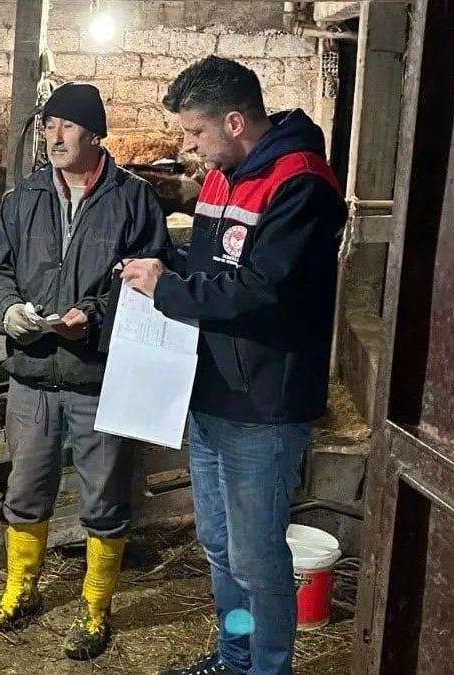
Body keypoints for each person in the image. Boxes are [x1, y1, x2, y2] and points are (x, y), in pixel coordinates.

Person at [119, 56, 347, 675]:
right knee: (219, 546)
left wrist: (167, 289)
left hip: (264, 405)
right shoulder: (225, 177)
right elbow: (210, 266)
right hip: (213, 391)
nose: (188, 147)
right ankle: (235, 656)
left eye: (194, 133)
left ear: (236, 120)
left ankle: (267, 668)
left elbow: (261, 290)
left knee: (257, 559)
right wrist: (157, 265)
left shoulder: (301, 183)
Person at [0, 81, 169, 661]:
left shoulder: (133, 200)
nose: (53, 136)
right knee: (26, 490)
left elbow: (154, 277)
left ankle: (94, 608)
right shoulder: (24, 197)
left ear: (94, 133)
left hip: (99, 379)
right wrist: (6, 311)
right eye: (47, 126)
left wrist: (97, 316)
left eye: (66, 126)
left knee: (103, 499)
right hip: (32, 375)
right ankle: (19, 592)